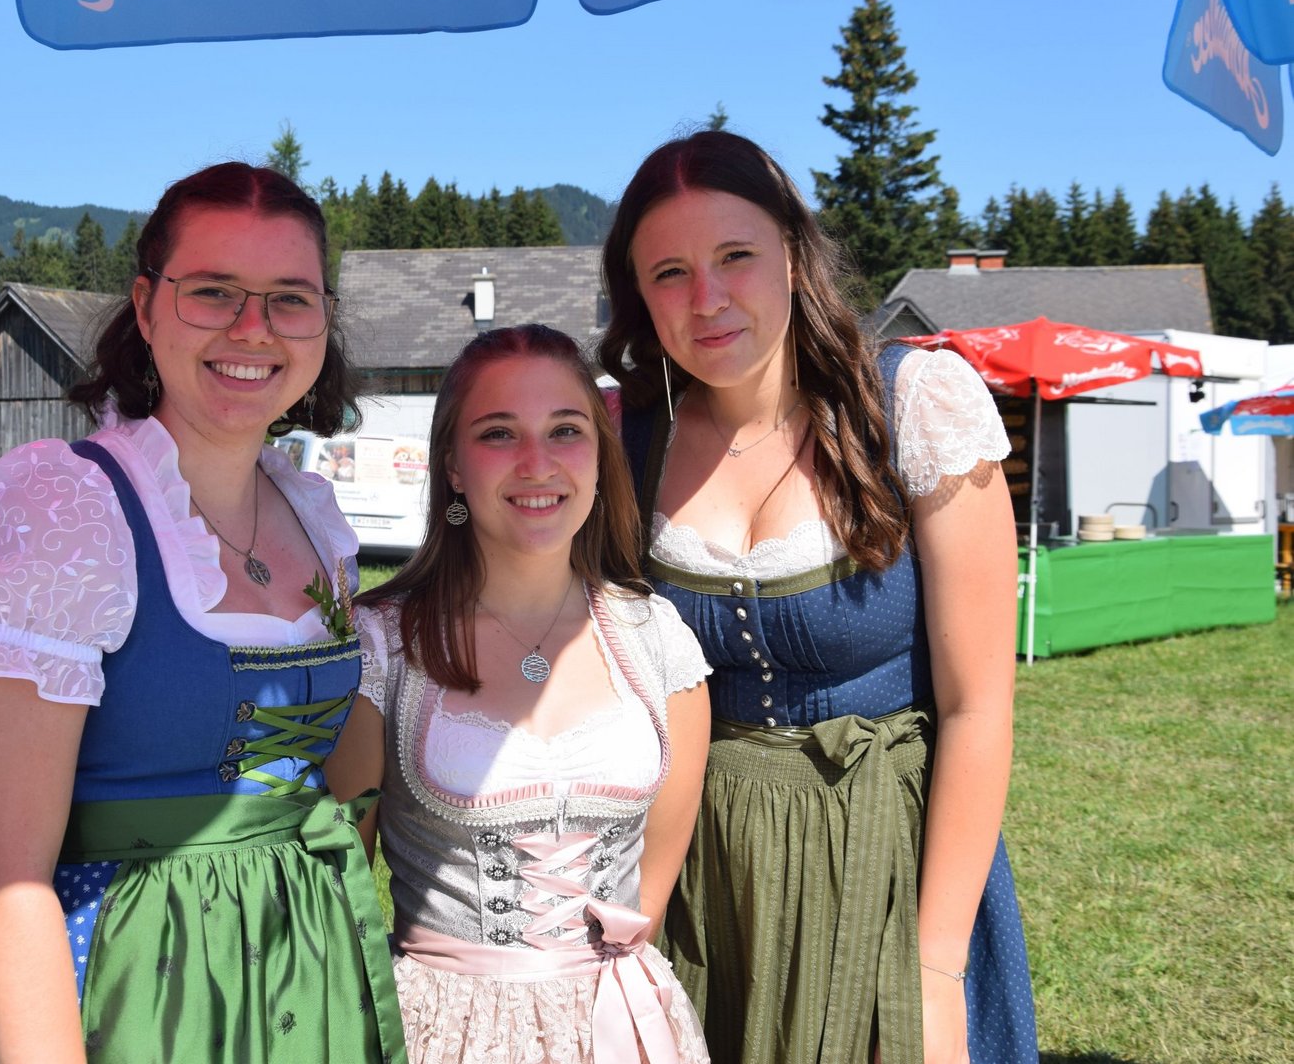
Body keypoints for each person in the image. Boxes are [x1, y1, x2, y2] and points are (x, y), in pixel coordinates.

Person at [0, 162, 405, 1064]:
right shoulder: (68, 515)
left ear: (323, 321)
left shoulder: (313, 516)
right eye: (213, 291)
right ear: (146, 308)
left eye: (290, 299)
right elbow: (4, 883)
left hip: (307, 974)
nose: (253, 328)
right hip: (131, 984)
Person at [597, 130, 1039, 1064]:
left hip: (886, 867)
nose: (707, 298)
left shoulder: (911, 405)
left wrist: (934, 967)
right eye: (670, 272)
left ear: (794, 256)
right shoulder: (624, 439)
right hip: (704, 882)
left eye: (736, 256)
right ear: (637, 293)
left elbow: (978, 707)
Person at [325, 324, 714, 1064]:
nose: (538, 463)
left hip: (623, 1027)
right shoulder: (381, 648)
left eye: (565, 430)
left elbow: (650, 901)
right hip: (444, 1035)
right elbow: (339, 898)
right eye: (498, 433)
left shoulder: (657, 639)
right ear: (453, 466)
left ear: (600, 455)